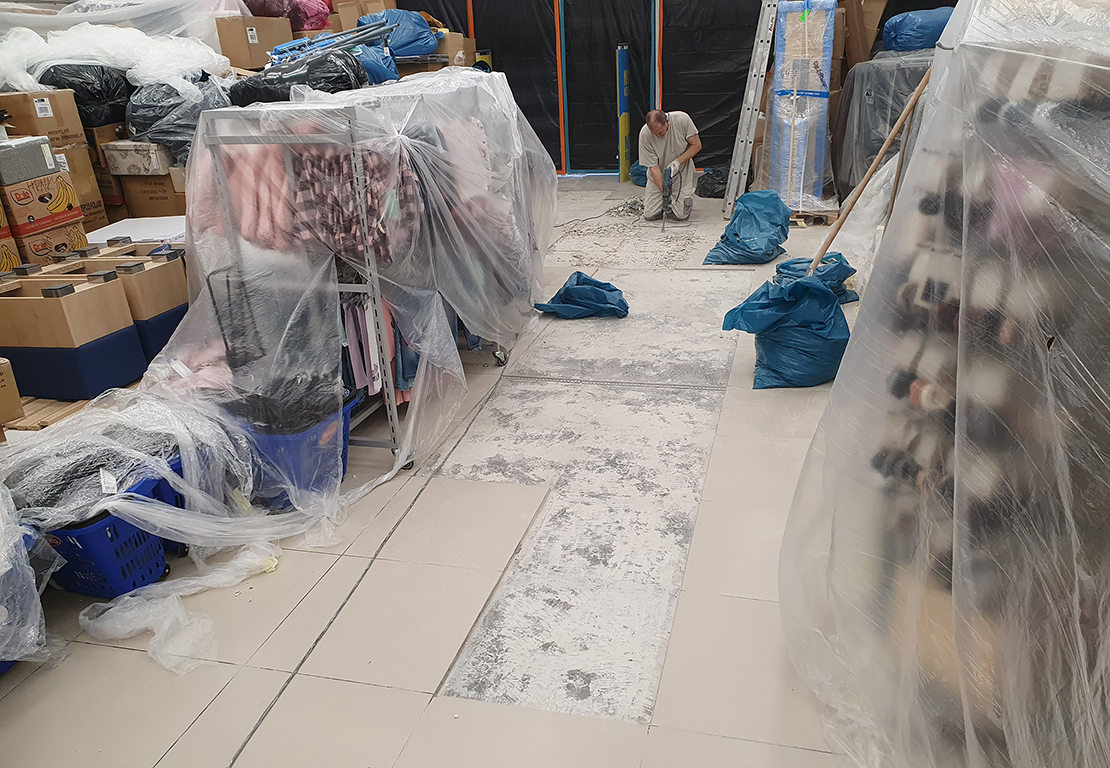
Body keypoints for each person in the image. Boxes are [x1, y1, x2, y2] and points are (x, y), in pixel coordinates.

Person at [638, 109, 702, 221]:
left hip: (682, 174)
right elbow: (653, 168)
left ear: (667, 121)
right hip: (658, 175)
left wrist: (677, 162)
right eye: (655, 134)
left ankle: (685, 196)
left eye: (660, 132)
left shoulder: (682, 120)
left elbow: (696, 145)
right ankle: (664, 202)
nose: (658, 136)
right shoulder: (645, 134)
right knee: (650, 215)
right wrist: (665, 192)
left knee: (681, 216)